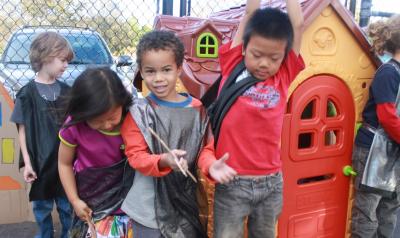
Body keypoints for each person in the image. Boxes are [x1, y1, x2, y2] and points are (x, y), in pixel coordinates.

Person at [120, 30, 237, 238]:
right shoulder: (139, 112)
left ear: (179, 68)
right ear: (141, 72)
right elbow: (135, 157)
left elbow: (204, 148)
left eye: (166, 70)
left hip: (185, 203)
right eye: (150, 71)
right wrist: (164, 160)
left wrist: (210, 164)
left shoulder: (196, 108)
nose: (158, 79)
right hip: (148, 210)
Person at [210, 0, 305, 237]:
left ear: (283, 57)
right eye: (257, 55)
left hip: (271, 183)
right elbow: (250, 12)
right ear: (244, 49)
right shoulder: (233, 65)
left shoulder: (284, 75)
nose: (264, 63)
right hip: (232, 181)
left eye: (274, 58)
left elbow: (298, 24)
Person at [10, 31, 74, 238]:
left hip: (65, 163)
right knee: (42, 209)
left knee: (67, 208)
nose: (66, 65)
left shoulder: (67, 91)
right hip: (40, 163)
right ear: (47, 56)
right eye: (63, 60)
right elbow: (22, 129)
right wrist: (27, 163)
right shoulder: (27, 93)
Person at [58, 67, 134, 237]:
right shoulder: (75, 126)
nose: (107, 125)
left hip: (129, 201)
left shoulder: (134, 121)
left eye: (112, 117)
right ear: (82, 113)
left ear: (122, 102)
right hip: (90, 200)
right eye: (98, 121)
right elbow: (64, 163)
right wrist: (74, 200)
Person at [351, 15, 400, 238]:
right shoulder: (389, 72)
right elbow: (387, 116)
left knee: (390, 207)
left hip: (392, 149)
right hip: (373, 148)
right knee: (367, 210)